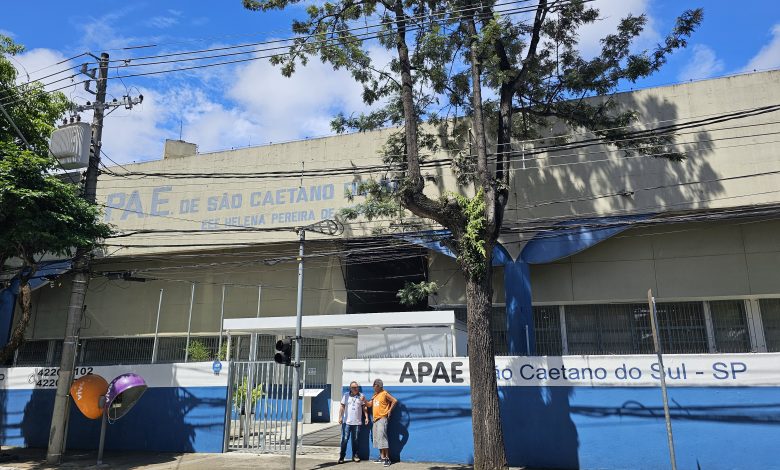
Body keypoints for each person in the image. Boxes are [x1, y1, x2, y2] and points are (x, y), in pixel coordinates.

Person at [364, 378, 397, 467]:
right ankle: (382, 457)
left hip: (382, 418)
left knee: (383, 438)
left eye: (374, 386)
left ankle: (387, 458)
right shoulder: (375, 395)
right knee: (378, 439)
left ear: (378, 386)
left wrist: (389, 410)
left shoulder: (384, 393)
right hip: (375, 420)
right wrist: (364, 401)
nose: (373, 388)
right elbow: (370, 405)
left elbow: (394, 400)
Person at [338, 381, 369, 464]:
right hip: (347, 422)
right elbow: (342, 406)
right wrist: (340, 417)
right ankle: (341, 457)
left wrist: (366, 417)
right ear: (350, 388)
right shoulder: (346, 395)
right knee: (344, 440)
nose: (355, 389)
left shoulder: (361, 396)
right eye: (353, 387)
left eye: (357, 387)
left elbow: (364, 407)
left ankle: (355, 456)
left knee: (355, 440)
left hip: (357, 422)